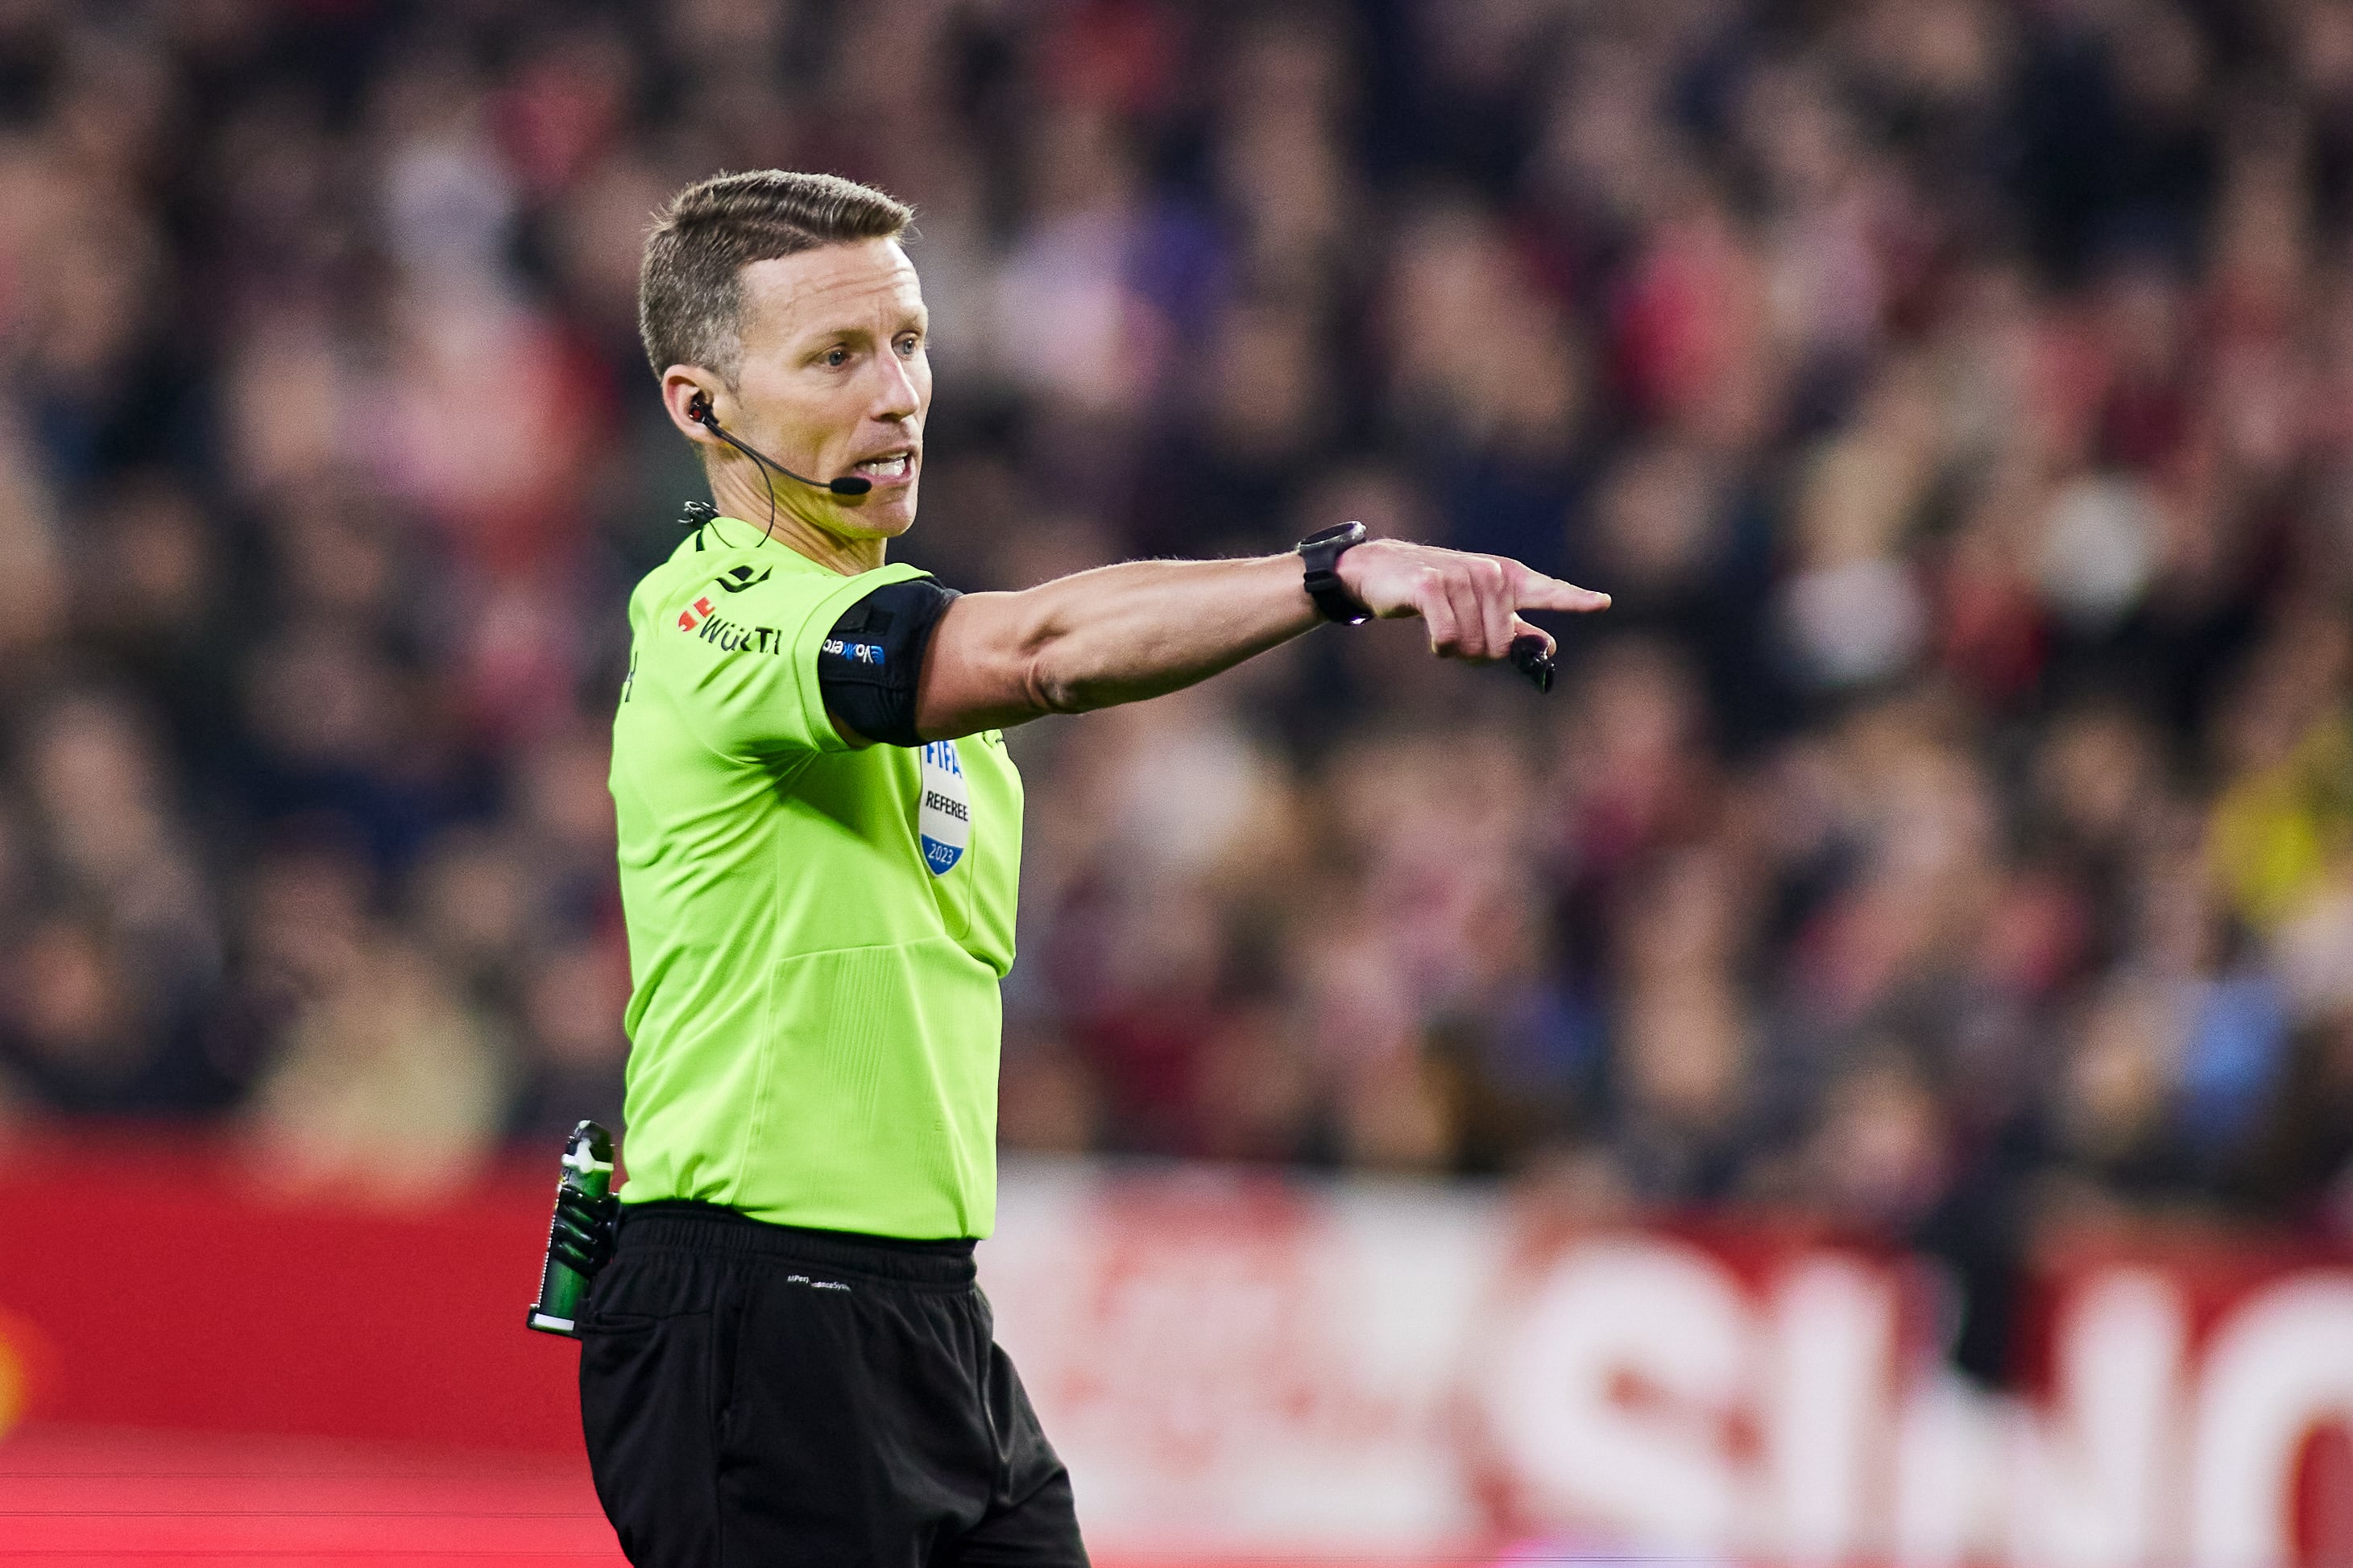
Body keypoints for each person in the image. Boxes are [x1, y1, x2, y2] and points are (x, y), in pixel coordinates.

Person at [561, 168, 1609, 1566]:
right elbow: (1041, 648)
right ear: (702, 407)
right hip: (752, 1305)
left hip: (924, 1312)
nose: (896, 393)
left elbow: (1030, 639)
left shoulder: (926, 678)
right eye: (833, 357)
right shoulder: (707, 613)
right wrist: (1334, 576)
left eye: (909, 343)